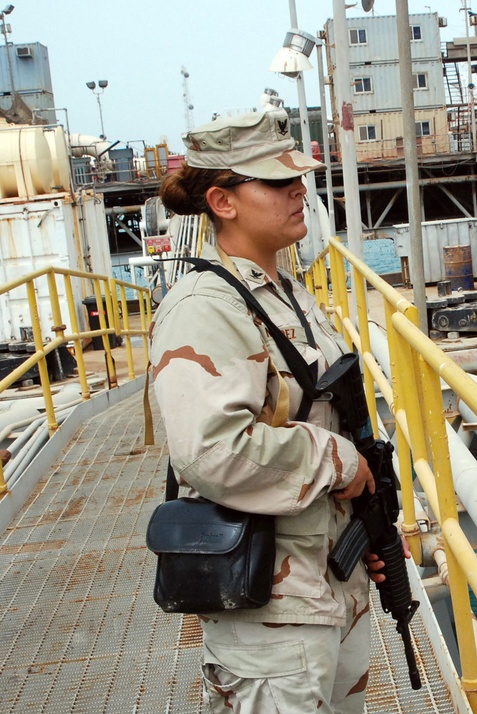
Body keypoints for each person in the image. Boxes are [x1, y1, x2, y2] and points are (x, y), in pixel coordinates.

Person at [151, 108, 379, 713]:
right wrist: (337, 461)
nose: (299, 190)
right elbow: (210, 450)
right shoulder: (204, 306)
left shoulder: (285, 289)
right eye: (277, 183)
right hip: (272, 616)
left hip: (326, 589)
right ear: (223, 201)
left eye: (297, 177)